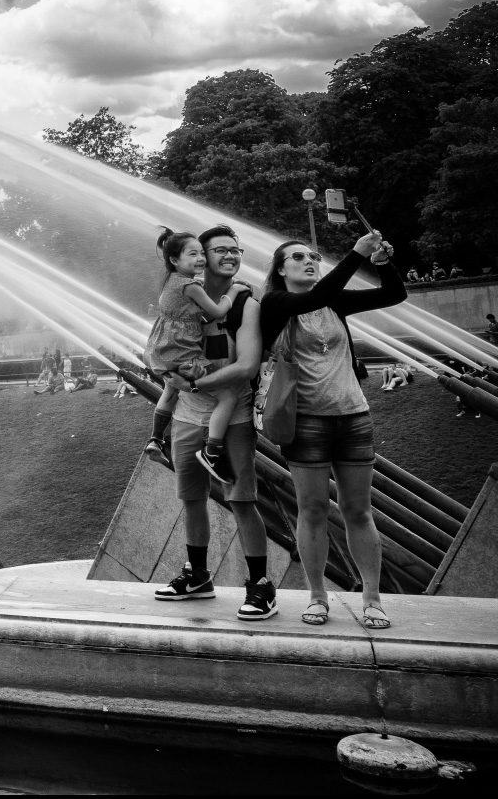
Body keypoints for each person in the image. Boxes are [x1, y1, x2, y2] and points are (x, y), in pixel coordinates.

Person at [260, 229, 404, 629]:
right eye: (298, 257)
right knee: (314, 509)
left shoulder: (334, 301)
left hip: (354, 416)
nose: (309, 260)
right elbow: (314, 297)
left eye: (312, 256)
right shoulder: (276, 303)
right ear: (280, 269)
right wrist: (355, 256)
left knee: (359, 510)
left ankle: (372, 598)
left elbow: (394, 296)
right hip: (305, 421)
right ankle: (318, 596)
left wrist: (381, 264)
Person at [155, 225, 273, 618]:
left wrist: (193, 383)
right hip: (189, 418)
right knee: (191, 500)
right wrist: (165, 373)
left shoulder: (245, 305)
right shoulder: (184, 297)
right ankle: (199, 575)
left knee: (242, 500)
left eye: (235, 250)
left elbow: (247, 365)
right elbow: (157, 345)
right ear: (200, 255)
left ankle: (259, 584)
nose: (229, 256)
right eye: (219, 249)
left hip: (232, 415)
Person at [142, 228, 249, 480]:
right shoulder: (191, 286)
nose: (200, 258)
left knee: (170, 389)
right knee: (228, 398)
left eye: (202, 253)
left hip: (163, 350)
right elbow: (218, 309)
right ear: (175, 260)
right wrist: (234, 291)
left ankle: (156, 438)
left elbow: (197, 316)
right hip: (185, 355)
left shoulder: (170, 281)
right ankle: (212, 451)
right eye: (193, 254)